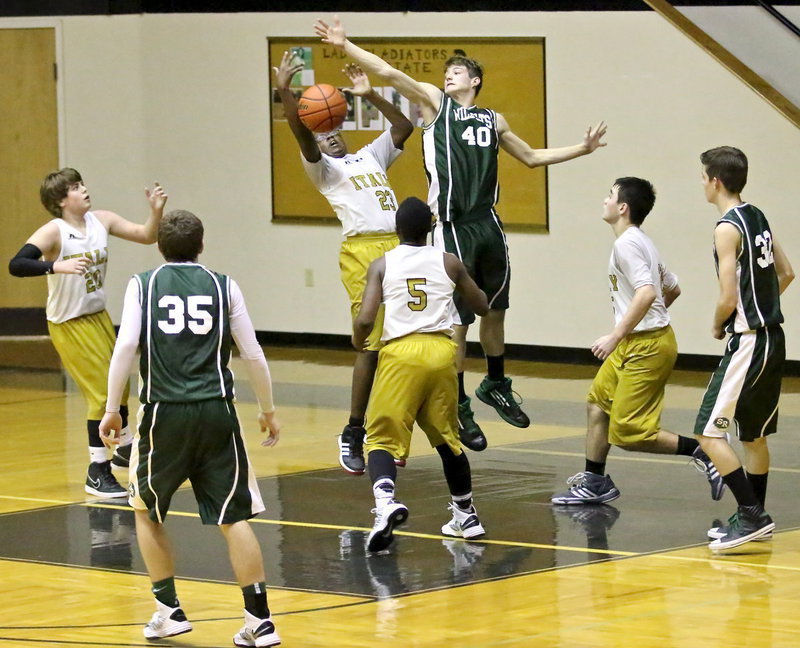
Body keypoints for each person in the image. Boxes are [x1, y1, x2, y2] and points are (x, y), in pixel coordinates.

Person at [314, 17, 607, 449]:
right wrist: (345, 45)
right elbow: (390, 73)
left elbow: (530, 156)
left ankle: (496, 382)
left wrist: (581, 149)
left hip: (487, 222)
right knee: (458, 322)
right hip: (449, 227)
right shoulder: (435, 104)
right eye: (445, 72)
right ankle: (461, 403)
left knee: (494, 309)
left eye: (455, 72)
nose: (446, 76)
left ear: (475, 80)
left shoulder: (493, 119)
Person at [98, 210, 282, 645]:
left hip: (164, 412)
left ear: (160, 246)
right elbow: (252, 352)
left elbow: (126, 345)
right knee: (233, 517)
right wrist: (268, 409)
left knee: (145, 509)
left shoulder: (143, 284)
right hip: (217, 411)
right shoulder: (224, 284)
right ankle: (260, 620)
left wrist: (112, 408)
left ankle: (169, 609)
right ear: (202, 245)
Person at [273, 51, 414, 476]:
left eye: (333, 130)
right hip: (361, 252)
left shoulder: (371, 156)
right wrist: (286, 92)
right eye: (321, 134)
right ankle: (353, 429)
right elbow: (300, 134)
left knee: (405, 341)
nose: (329, 137)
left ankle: (388, 432)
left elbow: (404, 126)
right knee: (370, 343)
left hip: (399, 248)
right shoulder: (325, 171)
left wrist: (372, 95)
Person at [551, 178, 725, 505]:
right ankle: (595, 482)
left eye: (609, 195)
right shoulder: (641, 241)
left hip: (645, 346)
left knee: (630, 433)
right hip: (639, 340)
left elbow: (648, 292)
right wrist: (644, 321)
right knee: (598, 403)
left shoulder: (627, 244)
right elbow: (671, 289)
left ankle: (706, 452)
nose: (604, 199)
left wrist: (617, 333)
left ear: (622, 208)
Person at [8, 168, 167, 498]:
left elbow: (147, 235)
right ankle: (97, 471)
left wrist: (156, 212)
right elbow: (17, 264)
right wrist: (55, 265)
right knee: (100, 396)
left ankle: (122, 448)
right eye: (75, 188)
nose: (83, 190)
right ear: (60, 200)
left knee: (118, 388)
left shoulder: (102, 220)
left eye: (81, 185)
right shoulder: (55, 231)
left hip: (97, 317)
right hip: (69, 324)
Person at [352, 196, 490, 553]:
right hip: (443, 353)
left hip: (402, 352)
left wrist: (358, 340)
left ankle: (385, 503)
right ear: (431, 227)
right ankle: (465, 514)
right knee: (447, 438)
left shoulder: (382, 264)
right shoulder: (449, 262)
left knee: (381, 438)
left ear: (396, 230)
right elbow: (482, 305)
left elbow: (367, 318)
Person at [695, 147, 793, 551]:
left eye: (703, 177)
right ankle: (754, 516)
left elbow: (727, 295)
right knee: (753, 436)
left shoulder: (725, 227)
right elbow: (787, 272)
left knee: (707, 434)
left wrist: (719, 323)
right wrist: (763, 302)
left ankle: (752, 514)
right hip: (774, 337)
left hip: (749, 341)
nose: (701, 183)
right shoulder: (757, 216)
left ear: (716, 181)